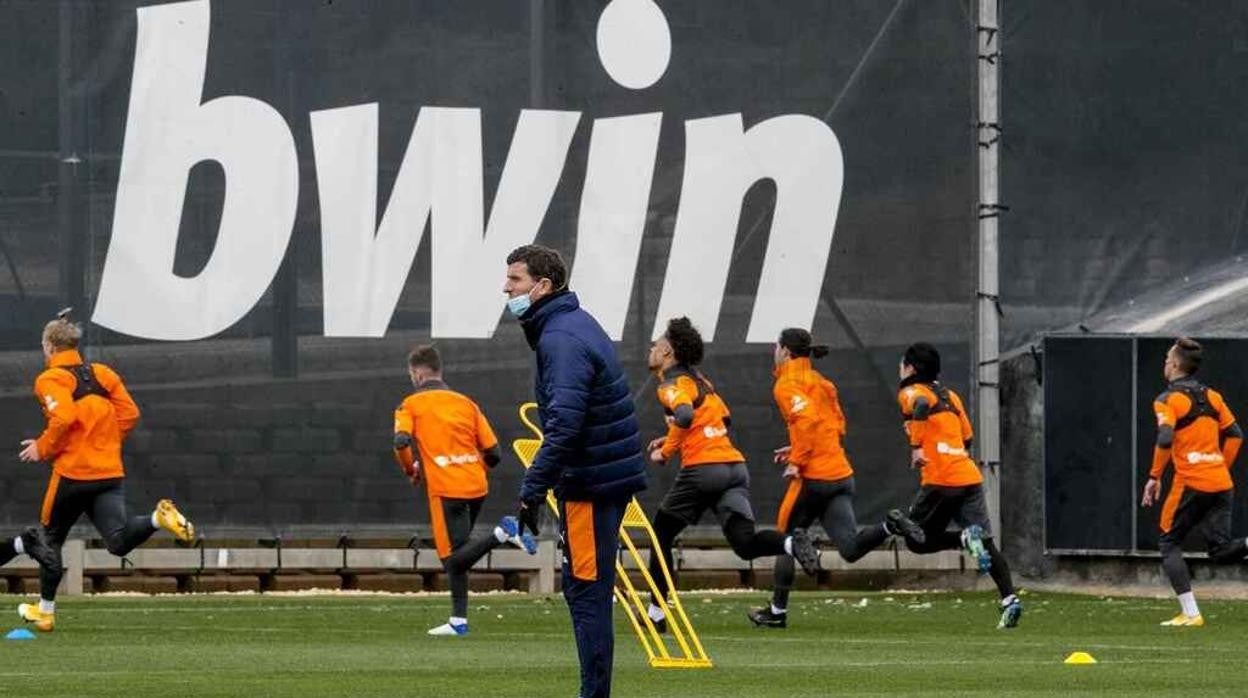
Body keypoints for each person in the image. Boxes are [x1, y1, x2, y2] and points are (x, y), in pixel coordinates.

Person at [506, 245, 646, 698]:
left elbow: (565, 423)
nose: (507, 288)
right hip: (605, 475)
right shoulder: (574, 323)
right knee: (593, 590)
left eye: (516, 280)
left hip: (590, 483)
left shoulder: (560, 337)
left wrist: (531, 490)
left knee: (586, 593)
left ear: (543, 286)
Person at [16, 309, 194, 632]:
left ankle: (45, 612)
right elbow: (130, 413)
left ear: (49, 347)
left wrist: (42, 447)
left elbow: (64, 418)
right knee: (118, 541)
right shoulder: (102, 373)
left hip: (72, 474)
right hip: (108, 473)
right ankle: (158, 518)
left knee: (48, 539)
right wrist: (103, 441)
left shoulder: (50, 378)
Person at [643, 317, 821, 634]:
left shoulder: (671, 384)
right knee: (745, 544)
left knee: (660, 536)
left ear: (668, 351)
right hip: (734, 468)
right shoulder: (702, 382)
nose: (651, 348)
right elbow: (722, 421)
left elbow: (684, 414)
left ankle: (656, 614)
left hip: (703, 471)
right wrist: (674, 437)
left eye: (656, 344)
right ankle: (794, 544)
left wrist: (666, 451)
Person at [749, 328, 925, 629]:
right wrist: (798, 447)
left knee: (786, 539)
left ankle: (777, 613)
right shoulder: (823, 383)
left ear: (786, 352)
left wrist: (797, 460)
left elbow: (807, 420)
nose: (773, 351)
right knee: (850, 548)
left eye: (776, 346)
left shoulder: (786, 384)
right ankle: (890, 525)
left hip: (814, 477)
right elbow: (836, 426)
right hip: (840, 473)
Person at [392, 344, 536, 636]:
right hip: (476, 485)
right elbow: (494, 452)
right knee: (462, 552)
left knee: (451, 559)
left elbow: (401, 442)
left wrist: (411, 470)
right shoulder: (466, 403)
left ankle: (504, 533)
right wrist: (471, 468)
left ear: (417, 374)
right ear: (438, 371)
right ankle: (458, 621)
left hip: (446, 489)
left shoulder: (410, 405)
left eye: (411, 374)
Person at [896, 342, 1022, 629]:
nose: (900, 369)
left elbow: (920, 405)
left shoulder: (911, 392)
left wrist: (917, 447)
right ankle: (1009, 599)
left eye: (902, 364)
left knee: (915, 540)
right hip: (968, 476)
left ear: (911, 369)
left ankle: (962, 540)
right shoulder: (951, 395)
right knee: (987, 542)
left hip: (940, 479)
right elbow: (967, 437)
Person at [1141, 337, 1246, 627]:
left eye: (1166, 359)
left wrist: (1154, 477)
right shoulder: (1212, 397)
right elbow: (1236, 434)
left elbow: (1164, 437)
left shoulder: (1168, 399)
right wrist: (1218, 465)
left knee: (1169, 540)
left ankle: (1190, 613)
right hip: (1221, 483)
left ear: (1174, 364)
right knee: (1221, 550)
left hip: (1191, 482)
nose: (1164, 363)